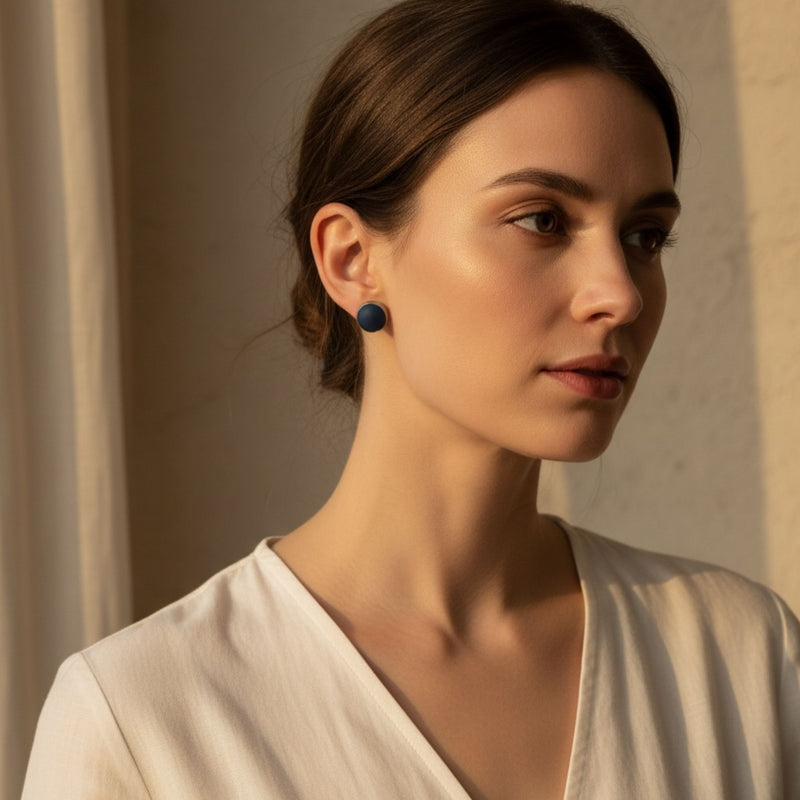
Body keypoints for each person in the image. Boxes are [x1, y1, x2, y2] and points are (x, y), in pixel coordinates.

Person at [22, 0, 800, 798]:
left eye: (644, 237)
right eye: (541, 219)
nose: (620, 296)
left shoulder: (739, 660)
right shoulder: (147, 718)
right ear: (353, 257)